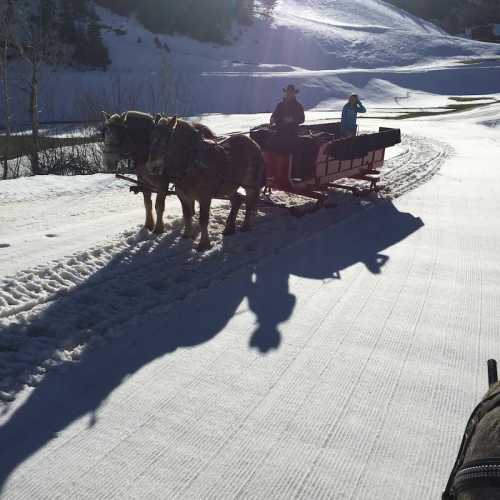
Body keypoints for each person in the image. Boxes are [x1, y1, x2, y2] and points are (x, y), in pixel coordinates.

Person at [269, 84, 305, 151]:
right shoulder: (280, 105)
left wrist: (292, 119)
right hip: (279, 131)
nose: (289, 94)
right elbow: (274, 114)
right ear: (285, 93)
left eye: (291, 93)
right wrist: (272, 119)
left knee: (288, 148)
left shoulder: (298, 106)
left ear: (294, 94)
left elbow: (302, 119)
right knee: (269, 144)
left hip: (292, 133)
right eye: (288, 92)